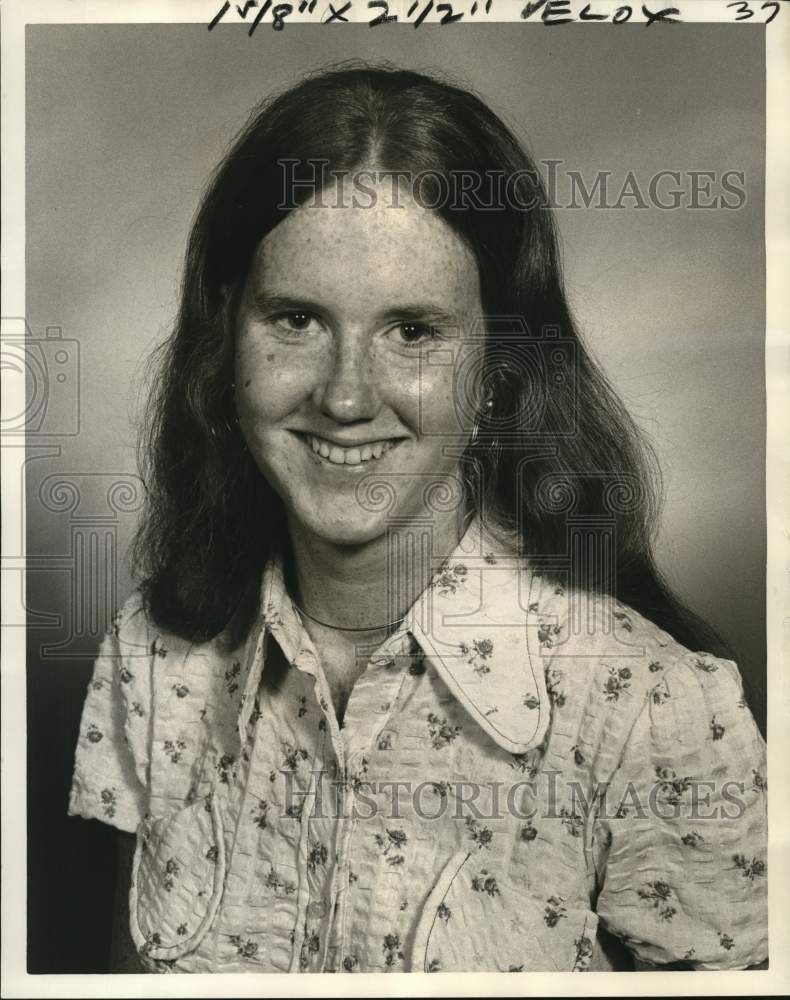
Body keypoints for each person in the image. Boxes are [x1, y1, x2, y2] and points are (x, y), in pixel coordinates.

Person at [68, 63, 767, 974]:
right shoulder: (151, 656)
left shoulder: (653, 710)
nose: (346, 395)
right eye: (296, 319)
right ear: (224, 337)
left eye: (413, 331)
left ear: (500, 373)